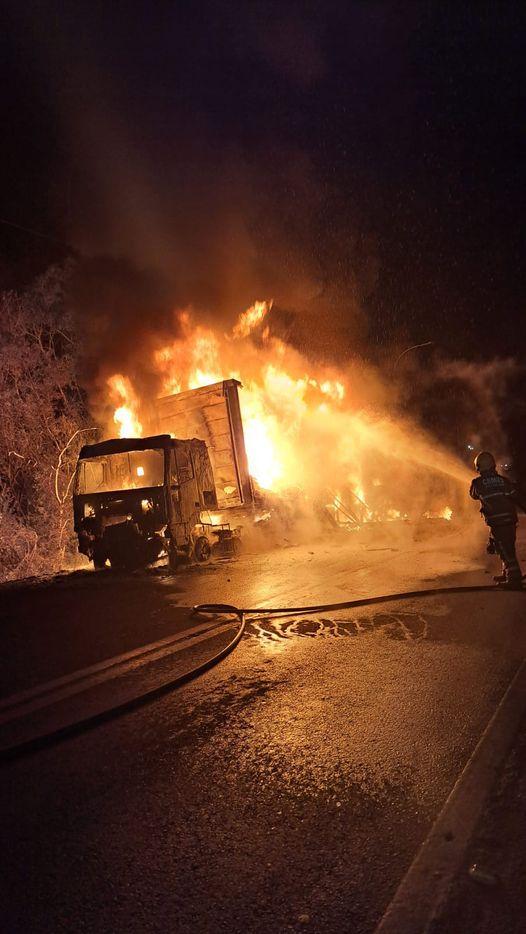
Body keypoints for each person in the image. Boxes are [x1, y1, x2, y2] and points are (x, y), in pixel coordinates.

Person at [470, 451, 524, 589]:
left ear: (479, 467)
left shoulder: (477, 483)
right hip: (509, 521)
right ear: (493, 465)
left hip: (497, 523)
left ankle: (514, 579)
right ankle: (507, 573)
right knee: (503, 548)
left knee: (506, 550)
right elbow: (515, 496)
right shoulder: (504, 481)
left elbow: (473, 495)